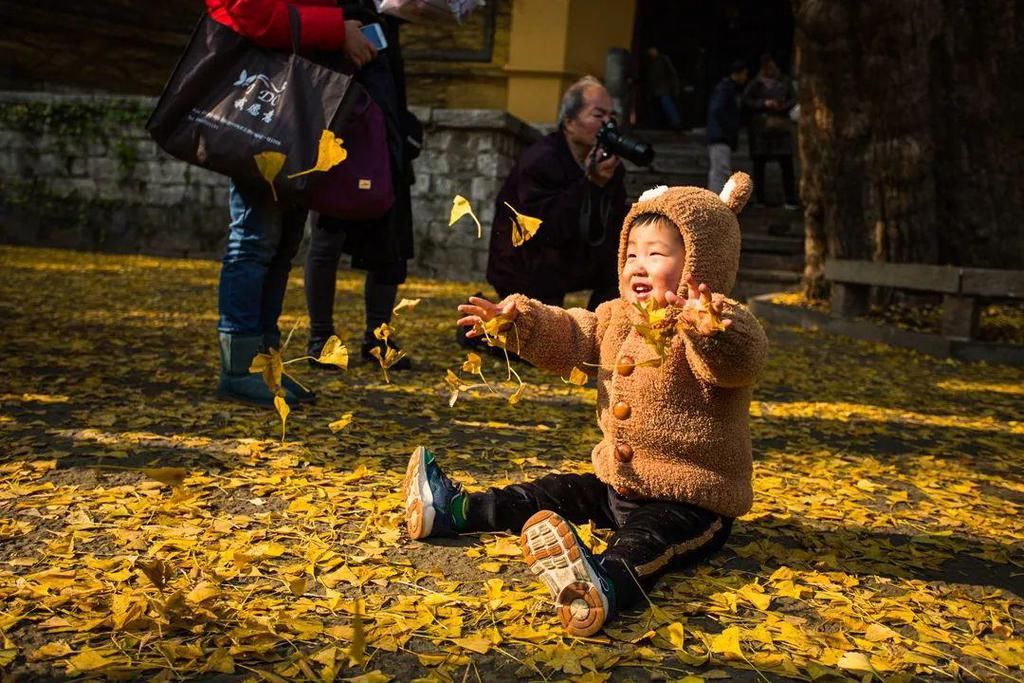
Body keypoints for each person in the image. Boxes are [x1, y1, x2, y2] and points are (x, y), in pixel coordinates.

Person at [406, 175, 768, 637]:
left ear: (702, 260)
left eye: (656, 254)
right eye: (632, 252)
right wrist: (520, 323)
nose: (638, 264)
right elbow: (574, 334)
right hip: (618, 486)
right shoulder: (616, 316)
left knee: (646, 543)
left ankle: (604, 583)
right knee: (547, 493)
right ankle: (456, 510)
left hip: (691, 501)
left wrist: (711, 328)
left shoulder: (712, 324)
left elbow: (738, 362)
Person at [207, 0, 377, 406]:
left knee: (282, 245)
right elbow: (239, 8)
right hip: (271, 102)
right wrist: (336, 30)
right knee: (254, 238)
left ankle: (265, 366)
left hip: (303, 102)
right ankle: (239, 369)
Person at [304, 1, 420, 371]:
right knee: (328, 236)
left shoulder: (386, 14)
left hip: (388, 134)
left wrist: (403, 127)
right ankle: (320, 339)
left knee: (391, 244)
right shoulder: (342, 14)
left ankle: (377, 338)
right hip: (344, 130)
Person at [483, 76, 628, 313]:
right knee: (538, 341)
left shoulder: (608, 165)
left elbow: (614, 221)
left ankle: (602, 334)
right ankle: (486, 333)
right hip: (525, 262)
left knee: (624, 270)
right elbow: (544, 229)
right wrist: (590, 183)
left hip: (571, 256)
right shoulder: (540, 159)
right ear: (570, 122)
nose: (608, 125)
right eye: (598, 116)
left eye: (612, 117)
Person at [742, 54, 799, 209]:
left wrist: (782, 106)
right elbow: (746, 100)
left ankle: (790, 199)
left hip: (781, 125)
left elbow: (794, 98)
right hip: (761, 128)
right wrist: (763, 103)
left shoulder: (784, 82)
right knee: (759, 166)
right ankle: (760, 198)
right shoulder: (756, 84)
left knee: (786, 164)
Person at [706, 59, 748, 193]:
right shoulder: (725, 88)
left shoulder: (728, 88)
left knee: (720, 170)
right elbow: (717, 109)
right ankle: (716, 201)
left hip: (721, 134)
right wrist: (729, 126)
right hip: (720, 134)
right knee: (720, 170)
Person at [644, 47, 683, 131]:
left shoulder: (663, 60)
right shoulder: (650, 62)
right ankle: (658, 125)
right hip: (654, 89)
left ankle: (676, 124)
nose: (651, 53)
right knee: (656, 108)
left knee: (667, 105)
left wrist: (675, 87)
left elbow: (672, 74)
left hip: (664, 88)